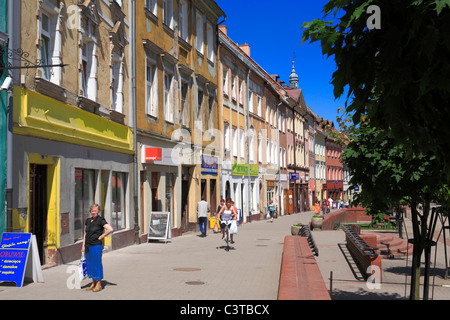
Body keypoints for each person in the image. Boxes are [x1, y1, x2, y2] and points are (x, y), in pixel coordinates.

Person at [82, 204, 113, 292]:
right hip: (88, 246)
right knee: (90, 264)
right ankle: (93, 283)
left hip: (96, 246)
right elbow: (86, 234)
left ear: (98, 211)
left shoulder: (100, 220)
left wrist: (102, 236)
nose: (93, 212)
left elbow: (110, 229)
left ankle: (99, 284)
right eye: (92, 211)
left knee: (96, 264)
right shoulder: (88, 220)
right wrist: (83, 246)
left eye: (95, 211)